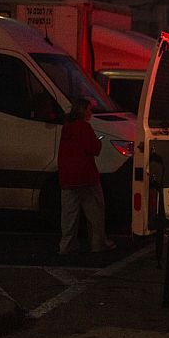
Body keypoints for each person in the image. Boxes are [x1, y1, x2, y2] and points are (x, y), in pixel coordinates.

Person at [57, 98, 116, 255]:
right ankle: (98, 243)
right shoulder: (84, 127)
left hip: (67, 177)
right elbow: (94, 148)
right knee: (95, 211)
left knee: (69, 214)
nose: (91, 112)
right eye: (89, 109)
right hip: (86, 175)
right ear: (83, 110)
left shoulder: (66, 128)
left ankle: (66, 245)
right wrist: (98, 142)